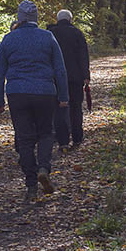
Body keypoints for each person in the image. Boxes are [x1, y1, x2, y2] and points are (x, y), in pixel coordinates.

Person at [0, 0, 68, 203]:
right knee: (45, 133)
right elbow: (60, 70)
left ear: (19, 17)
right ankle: (44, 167)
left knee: (24, 138)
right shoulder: (47, 37)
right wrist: (63, 97)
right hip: (45, 91)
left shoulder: (8, 39)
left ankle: (31, 184)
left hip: (17, 93)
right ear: (35, 18)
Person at [48, 9, 91, 150]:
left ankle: (63, 141)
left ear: (57, 19)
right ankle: (77, 137)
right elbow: (83, 55)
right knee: (76, 107)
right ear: (70, 19)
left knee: (59, 108)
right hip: (75, 77)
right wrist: (86, 75)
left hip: (56, 78)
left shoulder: (51, 33)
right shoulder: (77, 33)